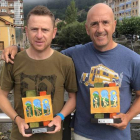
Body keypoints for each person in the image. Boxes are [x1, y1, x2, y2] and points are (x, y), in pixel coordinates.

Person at [1, 3, 140, 140]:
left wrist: (128, 117)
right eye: (94, 24)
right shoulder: (75, 54)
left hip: (118, 136)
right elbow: (43, 53)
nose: (100, 29)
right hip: (82, 134)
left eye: (105, 22)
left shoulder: (134, 59)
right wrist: (17, 49)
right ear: (87, 28)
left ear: (114, 25)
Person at [0, 5, 77, 140]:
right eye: (34, 29)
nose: (39, 35)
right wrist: (18, 119)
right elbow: (2, 96)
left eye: (45, 30)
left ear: (54, 32)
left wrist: (60, 117)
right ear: (26, 31)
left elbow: (73, 98)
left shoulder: (66, 63)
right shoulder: (12, 60)